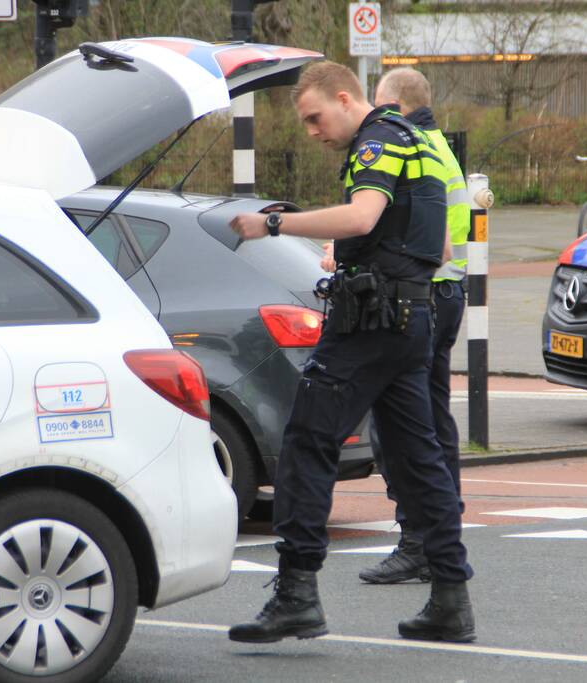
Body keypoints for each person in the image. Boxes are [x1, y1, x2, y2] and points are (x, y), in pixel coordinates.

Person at [227, 61, 476, 645]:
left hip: (368, 325)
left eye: (315, 117)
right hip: (414, 321)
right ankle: (450, 600)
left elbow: (364, 214)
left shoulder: (377, 143)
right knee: (420, 461)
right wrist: (371, 253)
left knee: (308, 443)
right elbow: (436, 244)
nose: (312, 131)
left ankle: (296, 596)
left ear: (345, 98)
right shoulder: (419, 141)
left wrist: (275, 224)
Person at [356, 66, 471, 585]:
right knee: (431, 419)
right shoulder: (440, 145)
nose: (374, 115)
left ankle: (418, 539)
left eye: (380, 105)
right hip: (448, 292)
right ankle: (442, 529)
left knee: (399, 425)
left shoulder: (407, 145)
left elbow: (416, 231)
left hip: (421, 294)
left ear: (397, 105)